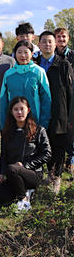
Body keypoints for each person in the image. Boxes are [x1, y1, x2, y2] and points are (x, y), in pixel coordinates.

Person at [0, 97, 51, 210]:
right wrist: (1, 173)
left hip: (33, 173)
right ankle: (23, 189)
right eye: (16, 109)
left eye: (22, 109)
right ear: (11, 112)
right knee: (1, 198)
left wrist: (26, 165)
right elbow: (4, 156)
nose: (19, 112)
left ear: (28, 110)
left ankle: (24, 199)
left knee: (12, 168)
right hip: (12, 174)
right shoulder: (7, 132)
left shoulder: (39, 130)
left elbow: (47, 154)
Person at [35, 31, 73, 194]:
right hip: (39, 112)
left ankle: (56, 177)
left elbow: (71, 91)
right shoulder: (34, 63)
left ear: (55, 44)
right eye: (44, 42)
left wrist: (70, 116)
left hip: (59, 112)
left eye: (50, 42)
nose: (47, 45)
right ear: (39, 43)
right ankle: (45, 174)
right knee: (42, 144)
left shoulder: (63, 64)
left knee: (58, 145)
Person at [0, 40, 51, 130]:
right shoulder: (8, 74)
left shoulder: (38, 72)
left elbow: (46, 99)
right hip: (13, 123)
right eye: (19, 52)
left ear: (31, 54)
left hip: (35, 122)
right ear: (15, 54)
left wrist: (44, 123)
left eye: (26, 52)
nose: (23, 55)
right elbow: (3, 101)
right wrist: (4, 125)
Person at [54, 27, 74, 171]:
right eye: (58, 37)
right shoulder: (52, 56)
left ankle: (71, 161)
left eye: (63, 37)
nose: (61, 39)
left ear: (68, 39)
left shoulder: (72, 56)